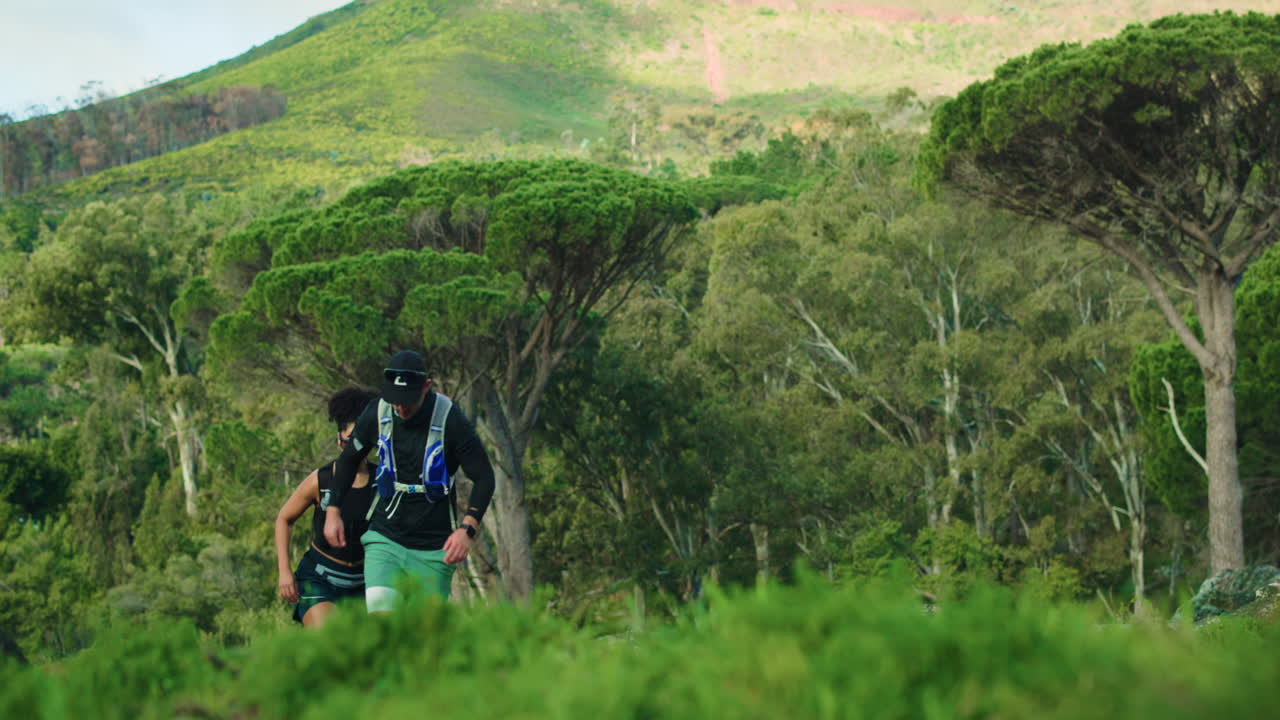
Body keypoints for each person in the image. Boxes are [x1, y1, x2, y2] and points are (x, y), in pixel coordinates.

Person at [323, 350, 495, 612]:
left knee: (422, 640)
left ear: (426, 386)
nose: (401, 408)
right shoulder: (377, 412)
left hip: (434, 547)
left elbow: (484, 478)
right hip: (385, 538)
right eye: (395, 400)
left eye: (409, 401)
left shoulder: (451, 419)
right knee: (383, 626)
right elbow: (347, 460)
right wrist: (333, 510)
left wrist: (467, 530)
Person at [274, 387, 379, 627]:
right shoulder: (320, 480)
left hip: (365, 583)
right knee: (331, 643)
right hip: (320, 578)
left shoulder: (382, 480)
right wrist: (284, 571)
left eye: (363, 437)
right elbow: (284, 519)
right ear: (339, 439)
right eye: (352, 437)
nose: (357, 445)